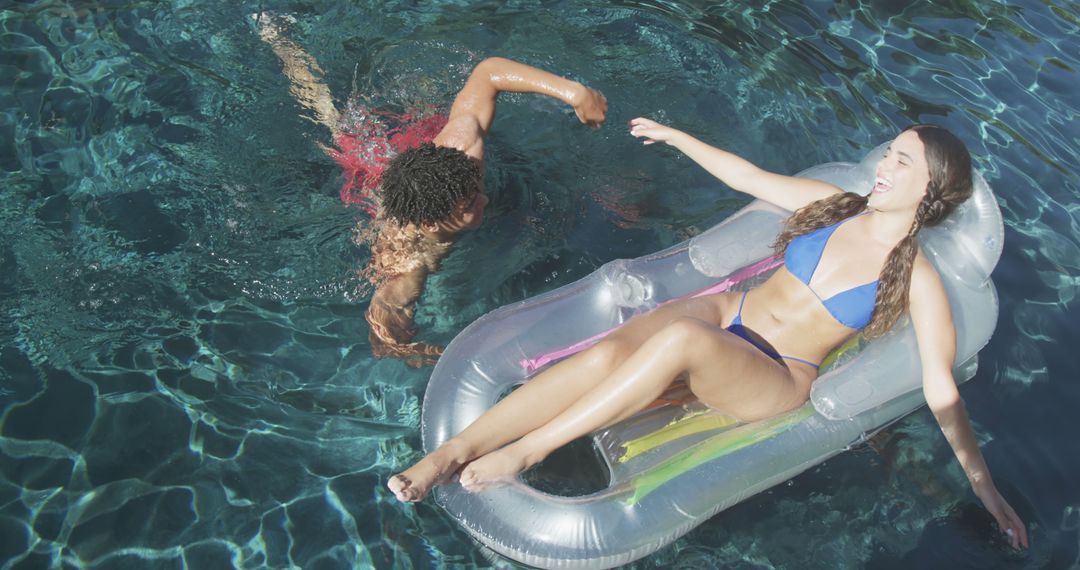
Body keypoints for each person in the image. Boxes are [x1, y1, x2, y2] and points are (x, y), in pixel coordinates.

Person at [387, 118, 1029, 549]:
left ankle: (528, 451)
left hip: (776, 375)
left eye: (902, 162)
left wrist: (984, 486)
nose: (884, 167)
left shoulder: (915, 276)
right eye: (888, 154)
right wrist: (677, 135)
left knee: (678, 344)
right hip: (732, 314)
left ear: (930, 190)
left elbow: (941, 385)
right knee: (611, 348)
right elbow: (747, 177)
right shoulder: (833, 205)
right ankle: (451, 452)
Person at [255, 15, 608, 366]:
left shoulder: (462, 147)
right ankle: (279, 40)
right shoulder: (410, 259)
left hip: (418, 167)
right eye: (470, 204)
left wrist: (574, 93)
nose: (484, 197)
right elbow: (384, 327)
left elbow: (488, 72)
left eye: (475, 189)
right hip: (372, 177)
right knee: (330, 115)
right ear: (431, 224)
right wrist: (431, 355)